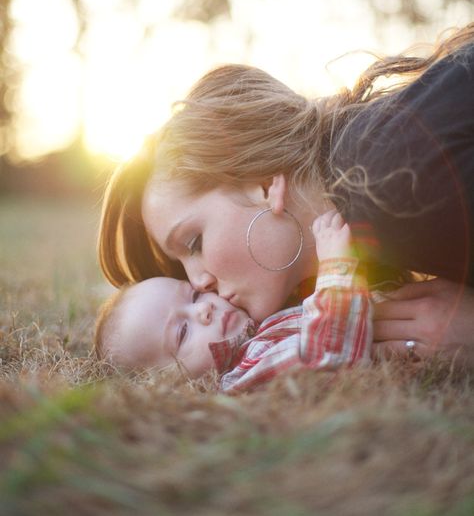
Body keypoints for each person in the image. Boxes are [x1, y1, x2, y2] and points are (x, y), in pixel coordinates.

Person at [98, 24, 474, 366]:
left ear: (263, 186)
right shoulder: (369, 205)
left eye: (193, 242)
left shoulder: (395, 182)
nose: (199, 283)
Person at [95, 211, 372, 392]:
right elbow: (325, 357)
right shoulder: (247, 370)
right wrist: (336, 266)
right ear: (168, 385)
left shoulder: (260, 328)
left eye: (193, 296)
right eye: (182, 331)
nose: (203, 309)